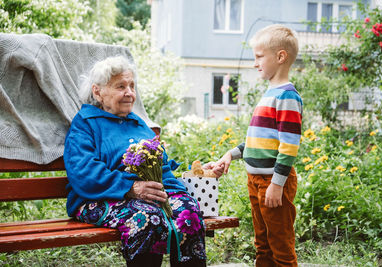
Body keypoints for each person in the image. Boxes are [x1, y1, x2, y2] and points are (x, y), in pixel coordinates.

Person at [64, 56, 221, 267]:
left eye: (131, 86)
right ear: (97, 91)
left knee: (188, 213)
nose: (129, 93)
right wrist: (130, 187)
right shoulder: (85, 124)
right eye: (121, 86)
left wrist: (176, 192)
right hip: (98, 198)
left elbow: (161, 167)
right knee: (146, 218)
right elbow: (83, 172)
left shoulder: (138, 124)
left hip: (148, 197)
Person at [211, 25, 302, 266]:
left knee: (280, 245)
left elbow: (289, 146)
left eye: (259, 57)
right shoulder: (270, 94)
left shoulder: (287, 97)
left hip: (273, 182)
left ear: (280, 57)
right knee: (262, 243)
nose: (255, 63)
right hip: (256, 182)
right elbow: (257, 141)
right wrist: (231, 155)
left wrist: (277, 185)